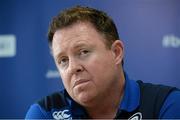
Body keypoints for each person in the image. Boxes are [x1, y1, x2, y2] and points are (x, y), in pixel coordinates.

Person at [25, 6, 180, 119]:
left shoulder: (165, 104)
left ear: (116, 53)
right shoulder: (44, 113)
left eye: (83, 52)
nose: (73, 68)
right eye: (63, 60)